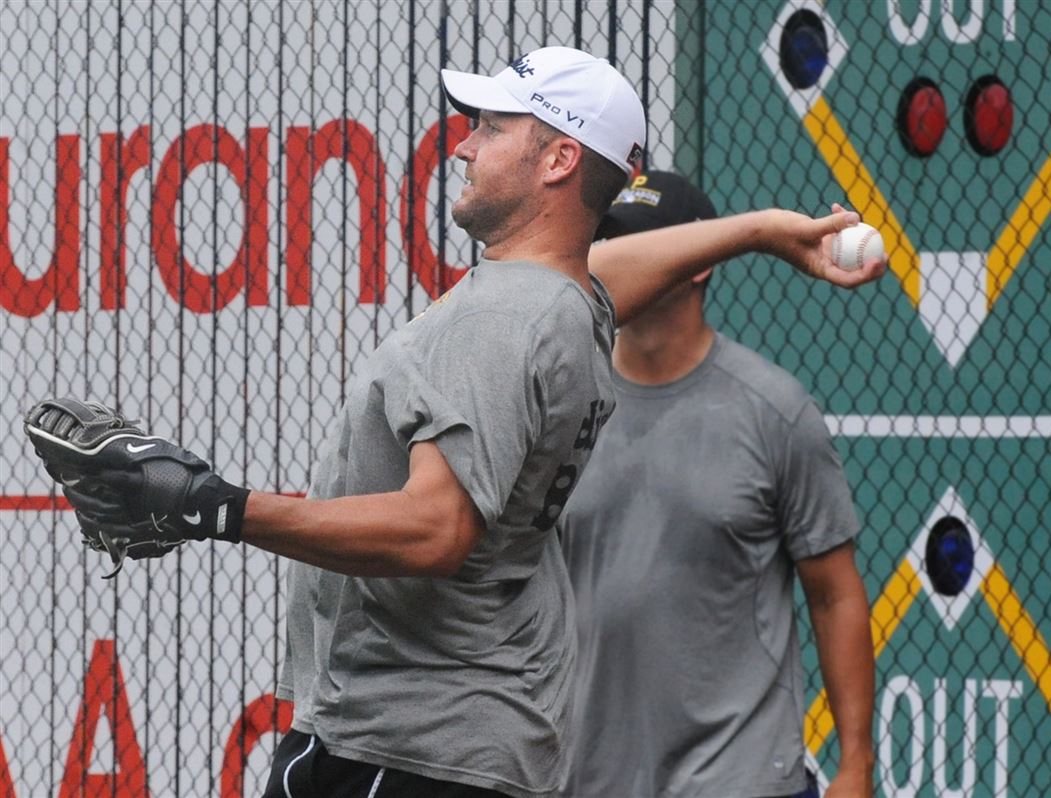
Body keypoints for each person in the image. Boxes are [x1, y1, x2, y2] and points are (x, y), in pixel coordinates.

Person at [32, 49, 884, 798]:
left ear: (556, 160)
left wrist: (213, 506)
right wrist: (762, 231)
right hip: (463, 741)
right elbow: (609, 266)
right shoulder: (561, 303)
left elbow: (436, 528)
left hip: (405, 746)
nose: (466, 145)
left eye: (490, 126)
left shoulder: (510, 318)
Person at [558, 171, 876, 798]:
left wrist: (855, 766)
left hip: (741, 777)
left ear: (698, 263)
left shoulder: (774, 410)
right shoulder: (562, 406)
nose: (624, 264)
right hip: (584, 776)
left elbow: (835, 596)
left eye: (650, 244)